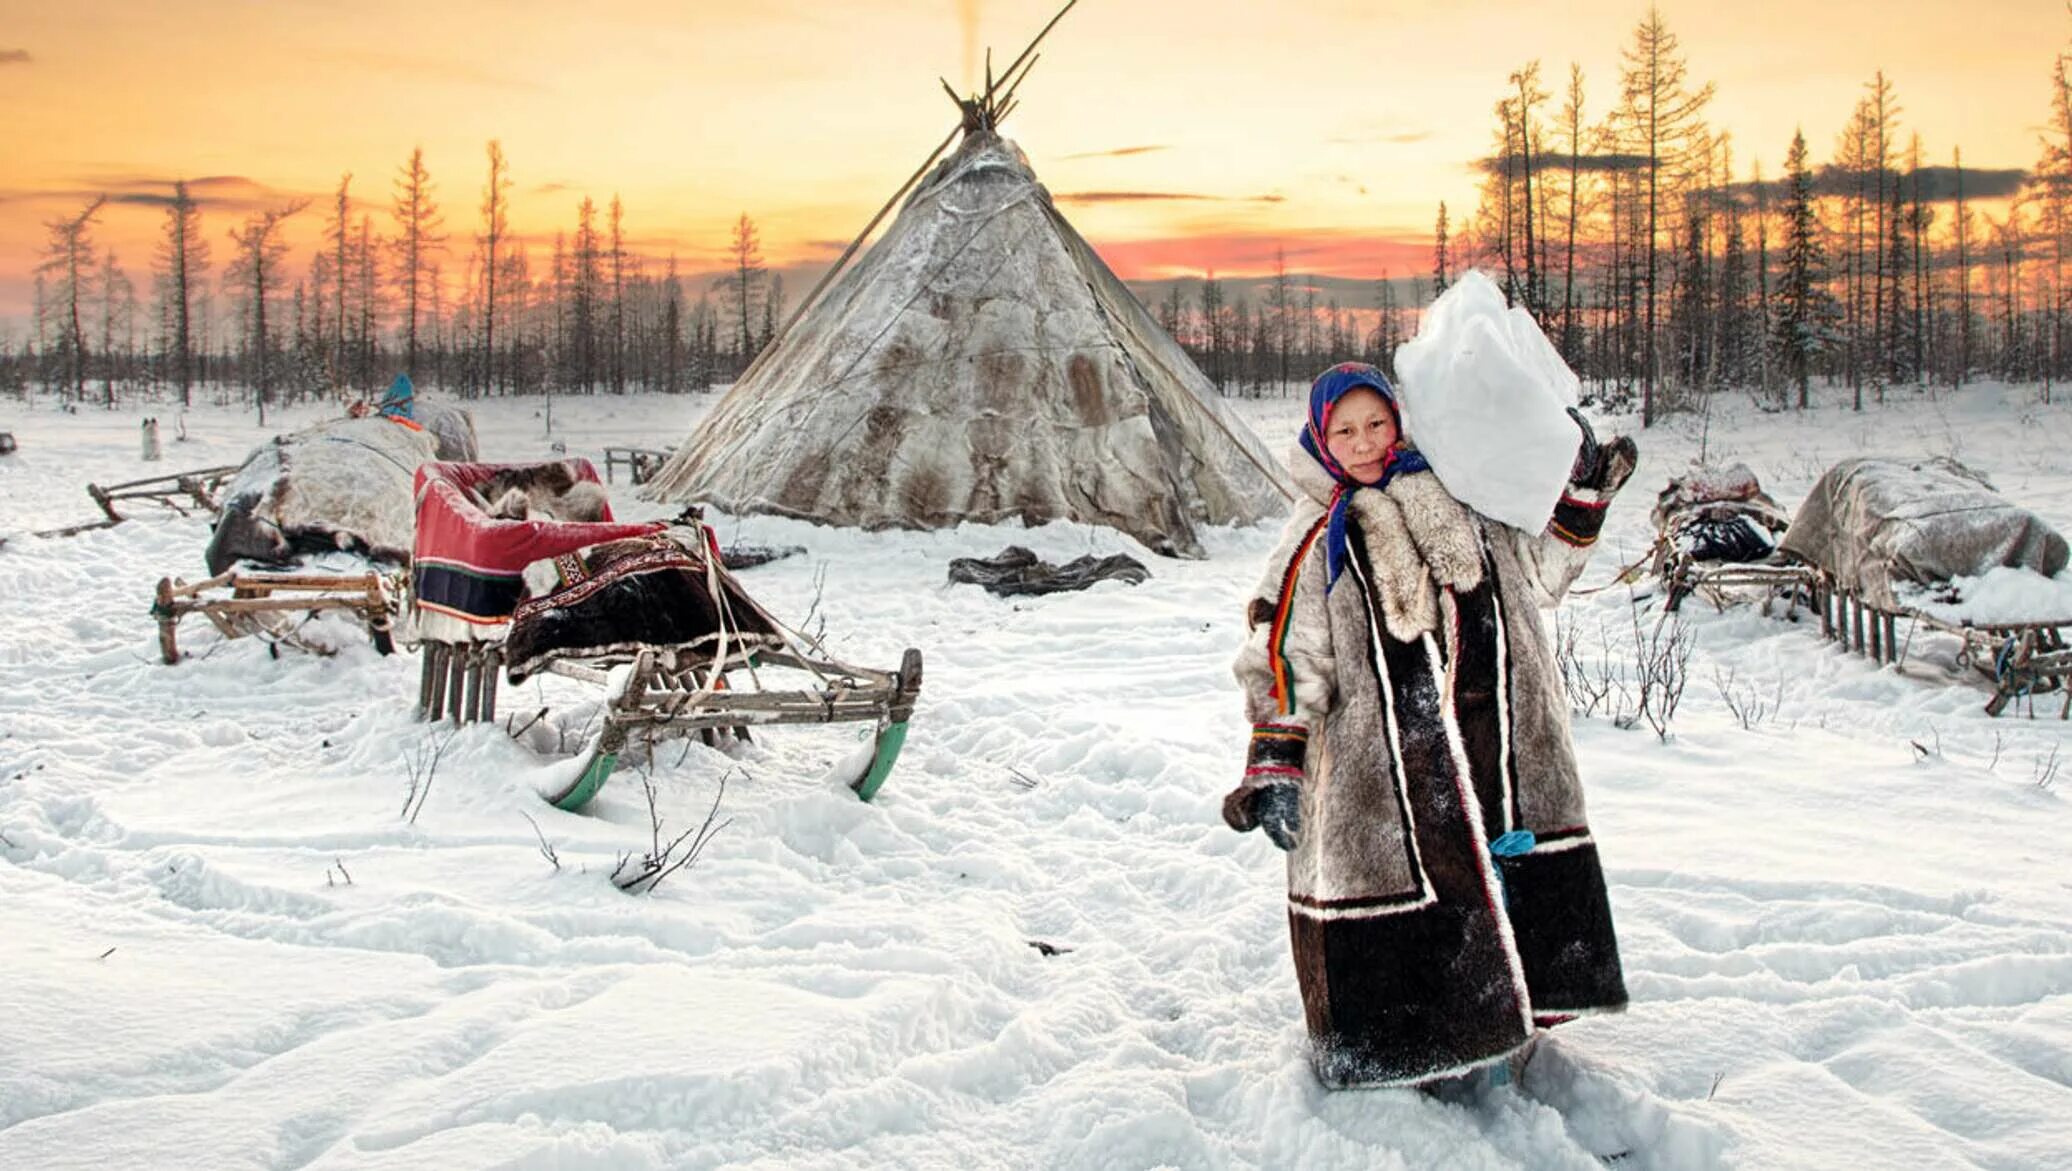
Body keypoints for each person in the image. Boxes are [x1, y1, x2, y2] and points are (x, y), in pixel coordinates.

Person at [1224, 361, 1638, 1093]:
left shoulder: (1460, 501)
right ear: (1321, 436)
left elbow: (1541, 573)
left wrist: (1577, 492)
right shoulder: (1316, 539)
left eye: (1377, 423)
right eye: (1345, 430)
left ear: (1400, 421)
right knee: (1411, 886)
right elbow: (1284, 651)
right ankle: (1414, 1055)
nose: (1364, 443)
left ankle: (1511, 1026)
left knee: (1492, 864)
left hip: (1485, 740)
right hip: (1376, 767)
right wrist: (1275, 760)